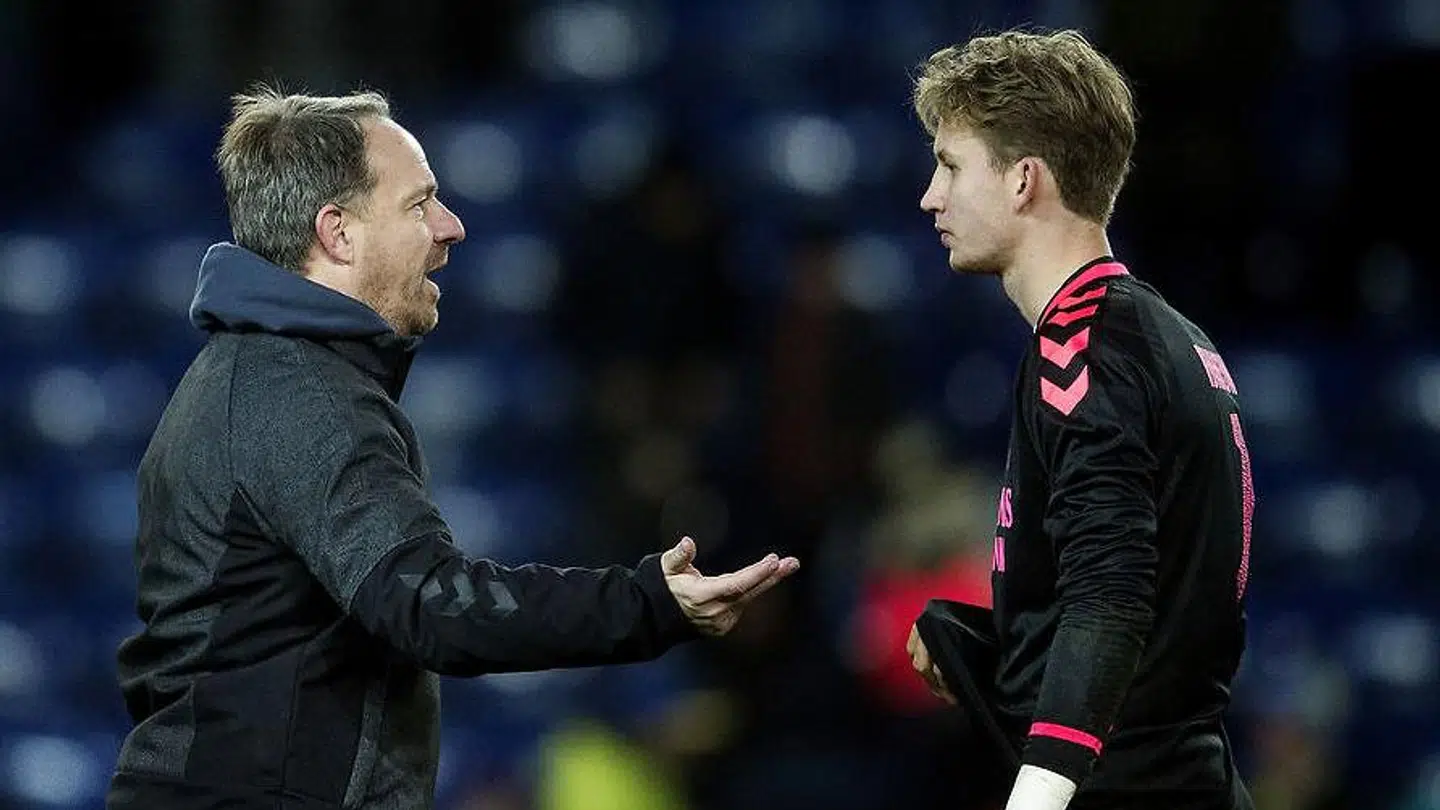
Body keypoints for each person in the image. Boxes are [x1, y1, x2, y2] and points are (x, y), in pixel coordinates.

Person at [106, 85, 799, 810]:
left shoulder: (250, 374)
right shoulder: (298, 392)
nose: (452, 227)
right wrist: (647, 601)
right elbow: (432, 605)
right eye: (419, 204)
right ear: (337, 233)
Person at [902, 28, 1256, 810]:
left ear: (1023, 180)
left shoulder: (1080, 346)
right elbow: (1159, 599)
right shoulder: (1172, 335)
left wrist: (1037, 795)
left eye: (951, 165)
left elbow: (1111, 596)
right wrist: (989, 646)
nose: (931, 196)